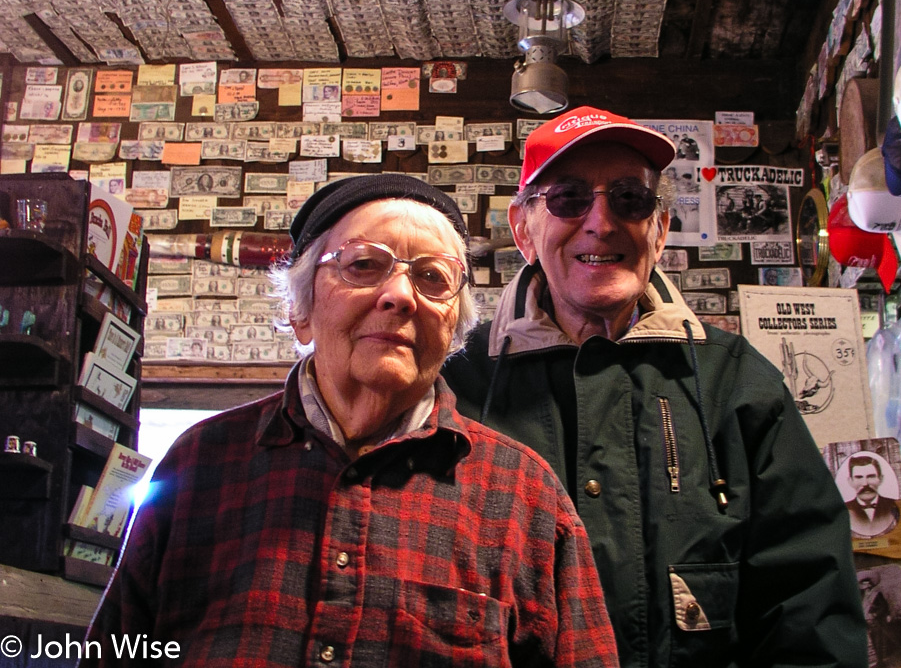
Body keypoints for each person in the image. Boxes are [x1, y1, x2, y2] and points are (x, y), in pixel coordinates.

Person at [81, 174, 619, 668]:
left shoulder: (525, 494)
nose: (401, 296)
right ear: (301, 309)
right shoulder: (199, 462)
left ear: (455, 329)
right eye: (363, 265)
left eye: (432, 278)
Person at [442, 106, 867, 668]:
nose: (601, 221)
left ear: (659, 229)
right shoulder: (455, 383)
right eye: (569, 198)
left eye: (629, 198)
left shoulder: (737, 382)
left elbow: (811, 614)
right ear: (524, 229)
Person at [845, 454, 900, 538]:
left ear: (880, 479)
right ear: (850, 481)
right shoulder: (843, 510)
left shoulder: (894, 506)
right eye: (859, 477)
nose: (865, 483)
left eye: (871, 476)